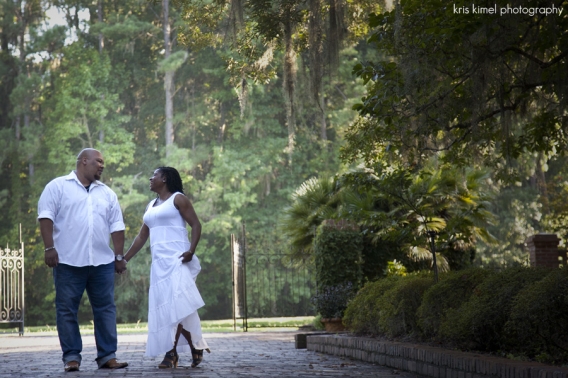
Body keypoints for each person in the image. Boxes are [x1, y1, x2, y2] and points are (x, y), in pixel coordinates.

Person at [38, 148, 129, 372]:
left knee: (106, 308)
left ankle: (108, 356)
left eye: (103, 162)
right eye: (98, 161)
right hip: (67, 262)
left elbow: (117, 227)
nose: (102, 165)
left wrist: (118, 256)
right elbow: (46, 217)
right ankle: (71, 357)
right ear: (84, 161)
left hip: (102, 263)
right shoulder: (57, 186)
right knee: (67, 309)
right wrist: (49, 247)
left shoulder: (107, 193)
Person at [123, 166, 210, 369]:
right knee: (170, 309)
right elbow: (141, 236)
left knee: (175, 306)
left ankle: (171, 353)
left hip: (178, 259)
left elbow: (196, 225)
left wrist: (191, 250)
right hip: (159, 264)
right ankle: (195, 345)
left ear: (165, 179)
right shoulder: (151, 206)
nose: (150, 178)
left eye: (154, 175)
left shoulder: (178, 199)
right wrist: (124, 259)